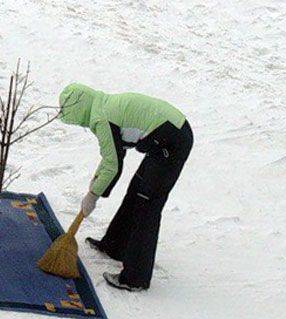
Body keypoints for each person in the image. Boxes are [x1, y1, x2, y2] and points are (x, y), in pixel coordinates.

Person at [58, 83, 193, 291]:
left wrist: (93, 195)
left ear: (78, 110)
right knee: (136, 191)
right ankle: (114, 246)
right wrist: (96, 182)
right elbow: (111, 156)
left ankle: (135, 278)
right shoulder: (102, 107)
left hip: (172, 140)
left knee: (146, 205)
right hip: (164, 136)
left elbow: (113, 165)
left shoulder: (101, 118)